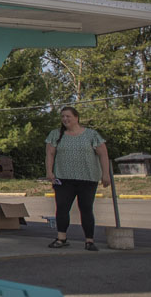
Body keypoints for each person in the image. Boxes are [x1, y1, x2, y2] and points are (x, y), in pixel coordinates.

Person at [45, 106, 110, 251]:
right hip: (63, 178)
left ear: (76, 117)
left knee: (86, 208)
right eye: (62, 117)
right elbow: (50, 154)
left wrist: (105, 174)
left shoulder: (91, 135)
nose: (65, 119)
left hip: (87, 178)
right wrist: (49, 172)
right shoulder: (55, 134)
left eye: (68, 116)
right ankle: (61, 238)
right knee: (62, 207)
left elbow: (103, 154)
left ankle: (89, 240)